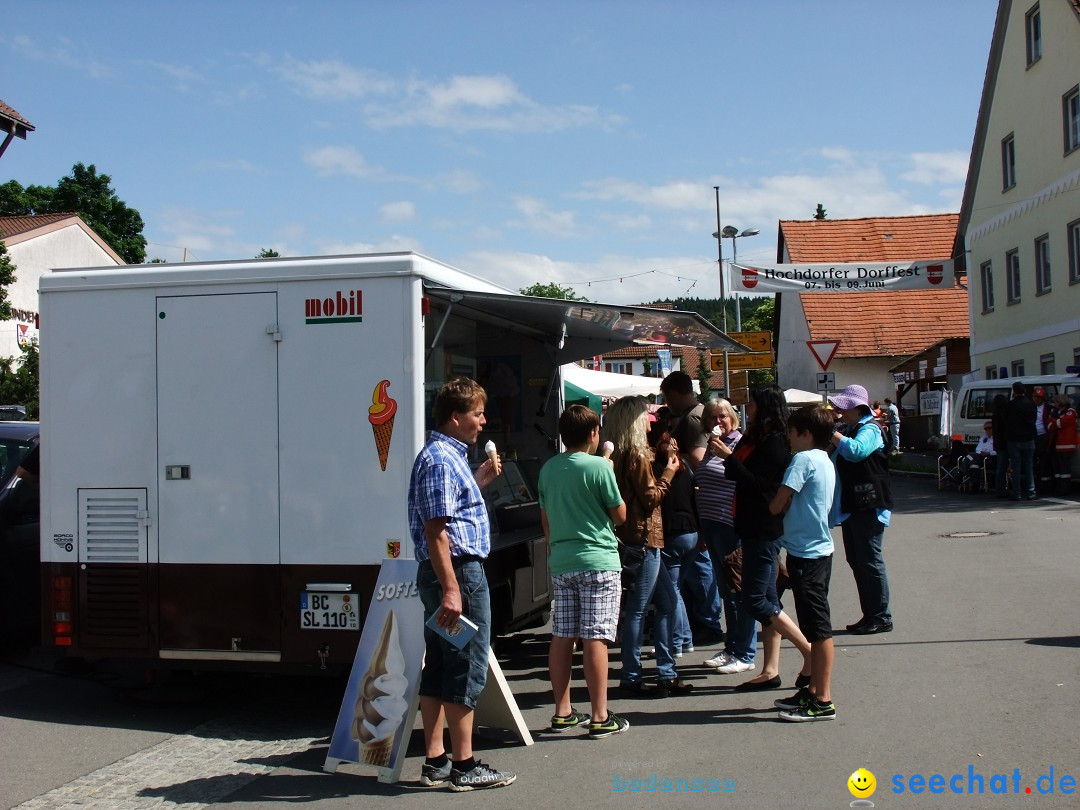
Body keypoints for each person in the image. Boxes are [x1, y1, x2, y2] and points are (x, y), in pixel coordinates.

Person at [407, 378, 516, 791]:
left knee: (439, 663)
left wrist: (480, 480)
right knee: (464, 665)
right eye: (477, 414)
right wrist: (452, 587)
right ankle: (463, 765)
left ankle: (436, 759)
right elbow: (436, 529)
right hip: (457, 573)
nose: (483, 422)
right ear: (456, 417)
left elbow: (445, 515)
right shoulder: (439, 458)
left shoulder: (446, 457)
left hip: (449, 572)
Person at [711, 385, 812, 690]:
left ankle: (809, 651)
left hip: (764, 527)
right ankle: (771, 670)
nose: (748, 408)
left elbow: (759, 485)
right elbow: (735, 475)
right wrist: (728, 456)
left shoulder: (777, 443)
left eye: (752, 404)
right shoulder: (755, 437)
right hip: (748, 524)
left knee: (754, 600)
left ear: (765, 407)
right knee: (768, 599)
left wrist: (729, 457)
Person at [538, 404, 629, 738]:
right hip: (598, 560)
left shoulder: (548, 469)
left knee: (563, 634)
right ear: (593, 434)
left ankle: (562, 711)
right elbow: (619, 515)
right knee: (595, 635)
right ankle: (599, 715)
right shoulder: (600, 467)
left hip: (562, 559)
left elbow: (545, 523)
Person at [604, 395, 685, 697]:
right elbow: (650, 498)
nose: (648, 422)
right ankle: (631, 676)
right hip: (644, 538)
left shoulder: (612, 454)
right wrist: (669, 472)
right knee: (639, 609)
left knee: (666, 601)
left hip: (632, 537)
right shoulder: (637, 455)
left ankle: (665, 672)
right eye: (643, 417)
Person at [769, 404, 837, 722]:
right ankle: (812, 690)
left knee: (818, 629)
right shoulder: (824, 459)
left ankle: (822, 698)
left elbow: (780, 501)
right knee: (814, 626)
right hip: (817, 549)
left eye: (792, 433)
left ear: (806, 434)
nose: (789, 438)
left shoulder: (803, 459)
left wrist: (771, 505)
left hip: (806, 552)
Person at [697, 399, 757, 675]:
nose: (718, 422)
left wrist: (726, 456)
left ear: (732, 418)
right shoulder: (711, 446)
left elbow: (744, 479)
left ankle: (745, 652)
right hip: (711, 524)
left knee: (738, 591)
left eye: (722, 416)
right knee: (725, 591)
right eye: (712, 417)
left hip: (730, 525)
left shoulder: (738, 444)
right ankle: (732, 647)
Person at [828, 384, 893, 635]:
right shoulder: (852, 429)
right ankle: (870, 615)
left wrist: (833, 434)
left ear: (857, 408)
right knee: (858, 560)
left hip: (870, 504)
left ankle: (880, 616)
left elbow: (856, 452)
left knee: (869, 561)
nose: (840, 411)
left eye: (844, 407)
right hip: (855, 505)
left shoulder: (870, 430)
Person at [1005, 381, 1037, 501]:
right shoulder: (1031, 404)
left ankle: (1016, 493)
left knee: (1016, 467)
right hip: (1028, 438)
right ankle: (1031, 492)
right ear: (1024, 390)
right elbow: (1033, 420)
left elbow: (1006, 420)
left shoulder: (1010, 405)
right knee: (1029, 466)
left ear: (1014, 391)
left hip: (1014, 439)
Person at [1048, 394, 1077, 495]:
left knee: (1064, 469)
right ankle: (1059, 487)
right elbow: (1049, 425)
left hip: (1065, 445)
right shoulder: (1056, 412)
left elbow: (1060, 423)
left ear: (1060, 402)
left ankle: (1065, 489)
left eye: (1055, 401)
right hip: (1055, 445)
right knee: (1057, 470)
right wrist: (1055, 422)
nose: (1054, 403)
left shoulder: (1071, 411)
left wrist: (1054, 421)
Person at [1032, 387, 1052, 495]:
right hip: (1032, 437)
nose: (1037, 399)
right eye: (1035, 396)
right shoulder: (1029, 407)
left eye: (1039, 397)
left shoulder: (1049, 408)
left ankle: (1046, 486)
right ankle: (1034, 486)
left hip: (1043, 436)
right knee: (1032, 463)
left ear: (1043, 398)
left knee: (1045, 463)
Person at [991, 394, 1011, 498]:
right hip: (1005, 443)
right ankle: (1001, 490)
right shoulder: (1004, 414)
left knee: (1000, 467)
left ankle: (999, 490)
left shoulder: (995, 414)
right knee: (1003, 467)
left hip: (998, 443)